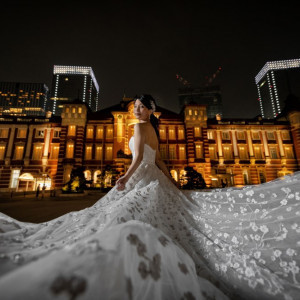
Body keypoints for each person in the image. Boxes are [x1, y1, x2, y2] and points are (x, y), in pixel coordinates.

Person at [0, 94, 299, 300]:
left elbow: (139, 158)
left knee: (120, 217)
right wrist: (172, 183)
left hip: (140, 177)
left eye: (140, 106)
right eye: (134, 107)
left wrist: (125, 178)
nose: (135, 110)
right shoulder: (154, 129)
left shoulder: (141, 127)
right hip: (154, 178)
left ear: (149, 110)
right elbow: (161, 161)